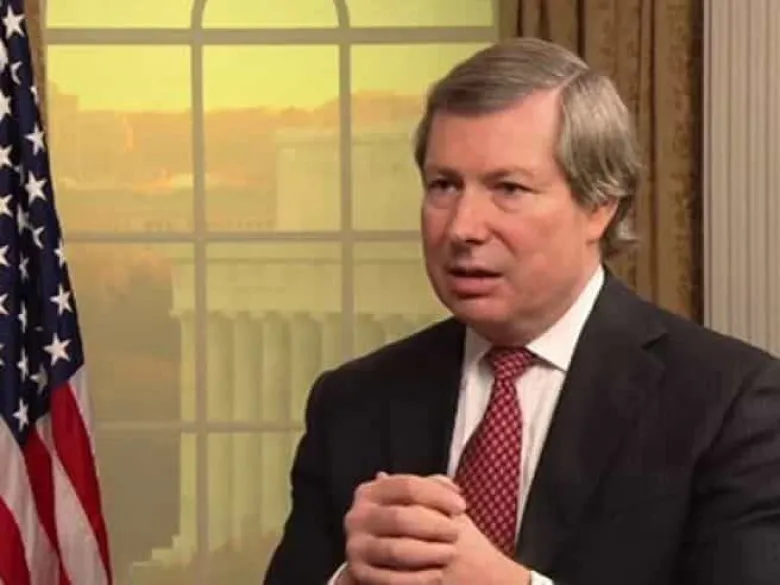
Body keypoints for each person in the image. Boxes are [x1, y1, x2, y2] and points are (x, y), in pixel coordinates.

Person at [263, 37, 780, 585]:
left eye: (508, 188)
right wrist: (350, 579)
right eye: (444, 185)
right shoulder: (353, 401)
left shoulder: (730, 404)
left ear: (599, 206)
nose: (462, 227)